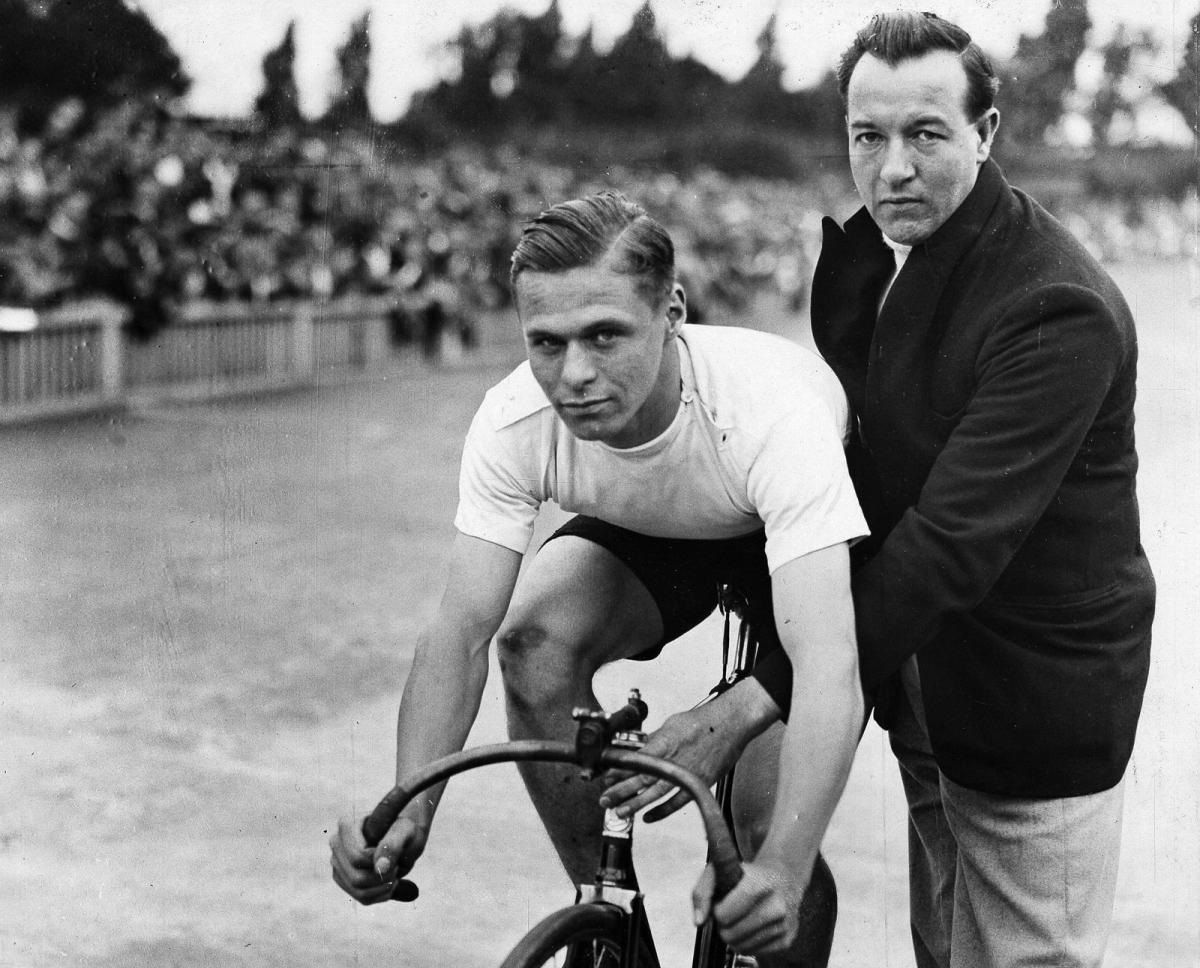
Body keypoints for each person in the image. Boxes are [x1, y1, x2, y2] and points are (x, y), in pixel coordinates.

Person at [328, 191, 870, 962]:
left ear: (673, 311)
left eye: (606, 335)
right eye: (546, 343)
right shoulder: (515, 419)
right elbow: (461, 631)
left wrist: (782, 868)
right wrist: (410, 802)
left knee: (759, 836)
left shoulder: (772, 415)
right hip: (666, 528)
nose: (574, 374)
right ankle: (606, 911)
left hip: (790, 537)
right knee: (532, 642)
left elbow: (828, 666)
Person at [791, 11, 1155, 968]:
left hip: (1032, 708)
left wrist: (775, 690)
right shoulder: (884, 257)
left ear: (987, 135)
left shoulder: (1054, 302)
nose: (893, 169)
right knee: (946, 951)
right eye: (868, 137)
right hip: (928, 686)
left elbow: (951, 537)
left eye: (926, 134)